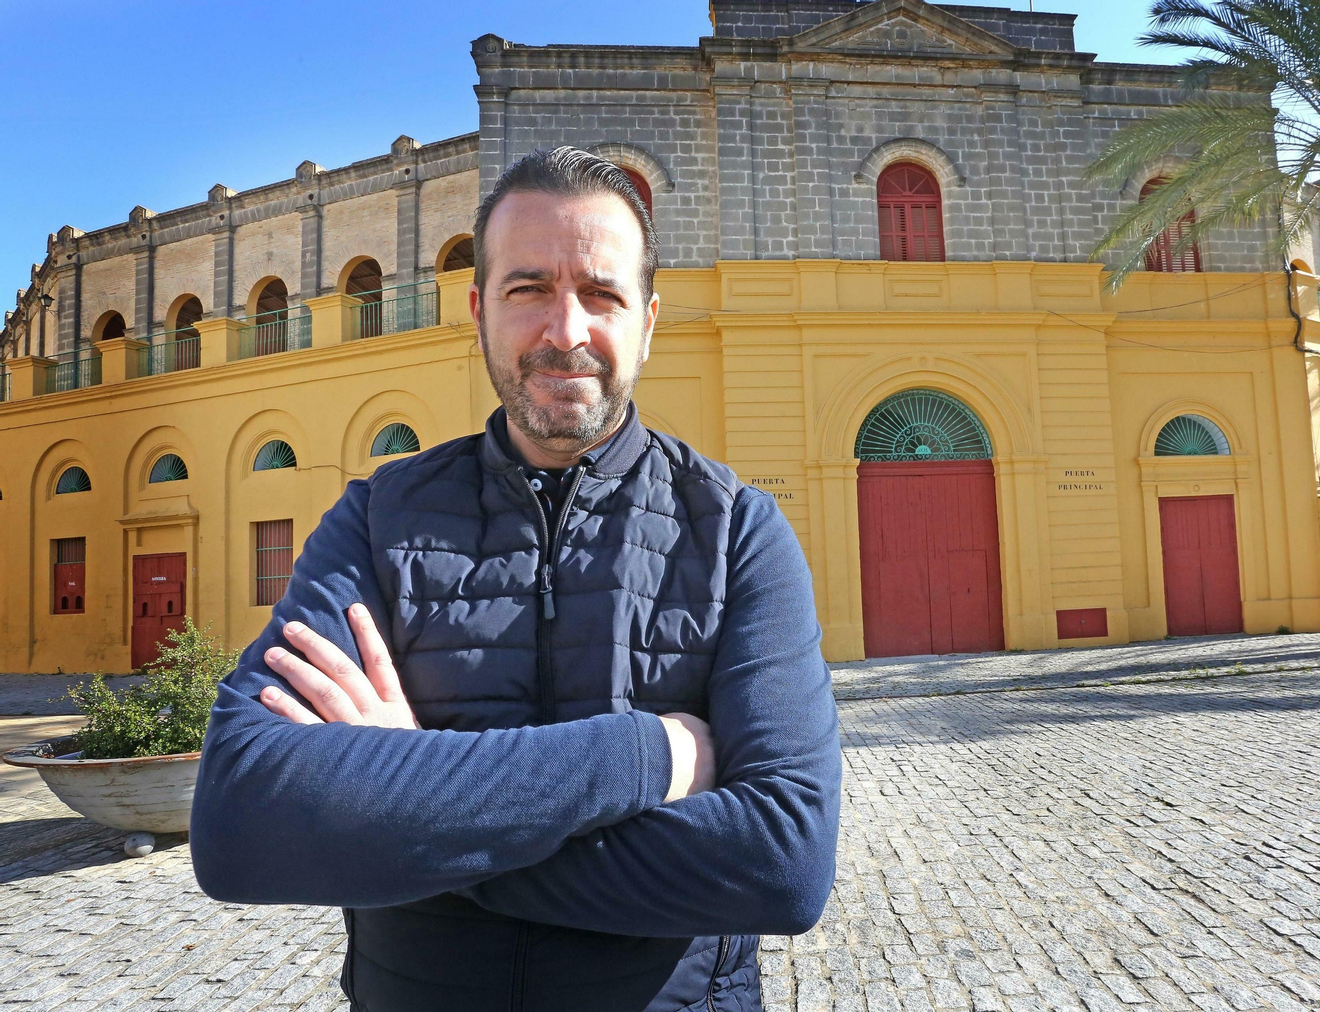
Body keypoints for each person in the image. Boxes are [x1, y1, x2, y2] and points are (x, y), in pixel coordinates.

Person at [190, 146, 842, 1012]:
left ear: (648, 320)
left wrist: (409, 804)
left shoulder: (735, 533)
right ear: (478, 311)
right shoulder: (380, 519)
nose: (565, 330)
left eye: (601, 294)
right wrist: (651, 753)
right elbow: (242, 823)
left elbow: (782, 861)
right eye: (528, 288)